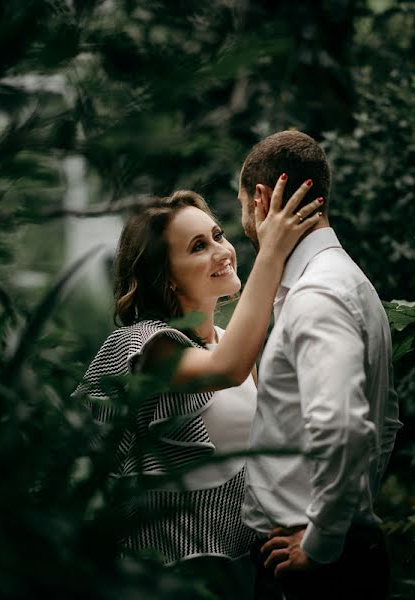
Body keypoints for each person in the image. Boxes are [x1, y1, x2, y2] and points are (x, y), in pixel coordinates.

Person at [73, 179, 321, 597]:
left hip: (237, 579)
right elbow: (228, 370)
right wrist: (273, 250)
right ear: (166, 278)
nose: (222, 251)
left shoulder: (224, 341)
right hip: (162, 582)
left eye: (218, 235)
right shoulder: (145, 345)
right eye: (198, 247)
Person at [237, 130, 403, 599]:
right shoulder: (350, 281)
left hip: (312, 569)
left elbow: (347, 428)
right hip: (335, 553)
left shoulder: (316, 295)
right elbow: (385, 422)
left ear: (262, 199)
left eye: (241, 201)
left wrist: (323, 542)